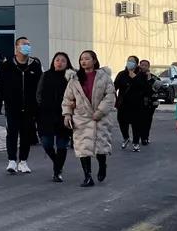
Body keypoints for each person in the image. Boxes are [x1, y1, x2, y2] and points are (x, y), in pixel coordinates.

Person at [62, 50, 114, 187]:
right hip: (81, 118)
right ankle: (87, 176)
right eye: (81, 59)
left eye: (87, 59)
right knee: (83, 147)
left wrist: (100, 111)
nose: (83, 61)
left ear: (94, 60)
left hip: (100, 118)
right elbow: (67, 99)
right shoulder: (74, 79)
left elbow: (110, 96)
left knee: (100, 146)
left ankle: (102, 165)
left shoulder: (104, 77)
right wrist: (67, 114)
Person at [0, 36, 43, 175]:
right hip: (12, 106)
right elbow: (1, 85)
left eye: (28, 44)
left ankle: (23, 161)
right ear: (16, 47)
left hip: (30, 106)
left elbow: (40, 86)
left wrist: (38, 103)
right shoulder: (7, 65)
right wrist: (4, 100)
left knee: (26, 134)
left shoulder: (35, 64)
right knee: (12, 133)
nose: (27, 47)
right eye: (24, 44)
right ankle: (11, 160)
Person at [36, 52, 74, 182]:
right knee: (46, 142)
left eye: (63, 60)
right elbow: (39, 93)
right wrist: (42, 106)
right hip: (46, 114)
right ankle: (57, 162)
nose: (59, 63)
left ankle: (57, 172)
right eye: (57, 60)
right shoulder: (46, 75)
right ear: (53, 62)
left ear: (67, 63)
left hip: (64, 114)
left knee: (62, 145)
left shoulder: (71, 77)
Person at [114, 55, 155, 152]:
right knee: (122, 121)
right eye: (128, 61)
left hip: (137, 104)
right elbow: (114, 86)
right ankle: (126, 137)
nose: (130, 63)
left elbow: (146, 89)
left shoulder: (141, 75)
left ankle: (136, 142)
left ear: (136, 64)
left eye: (132, 61)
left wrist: (135, 78)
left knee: (136, 124)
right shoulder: (121, 74)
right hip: (123, 103)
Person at [136, 60, 160, 146]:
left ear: (148, 67)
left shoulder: (153, 77)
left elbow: (157, 87)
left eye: (146, 65)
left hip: (150, 104)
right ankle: (137, 137)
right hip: (138, 103)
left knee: (147, 121)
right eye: (142, 65)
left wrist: (150, 80)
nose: (143, 67)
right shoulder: (136, 76)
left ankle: (145, 137)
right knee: (138, 121)